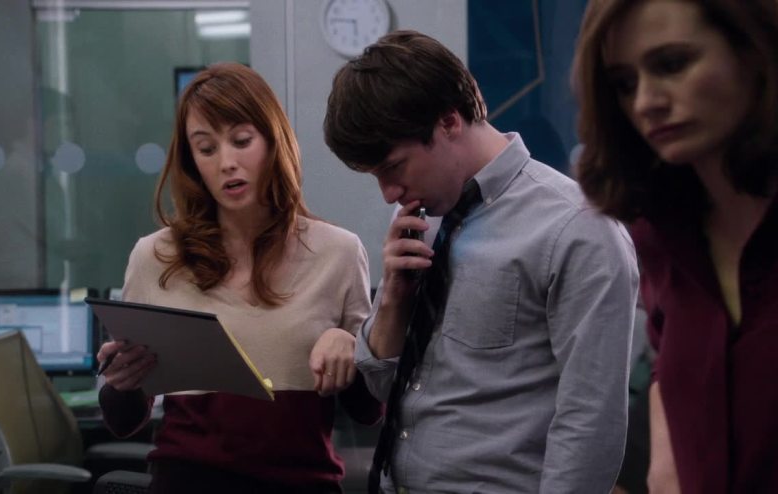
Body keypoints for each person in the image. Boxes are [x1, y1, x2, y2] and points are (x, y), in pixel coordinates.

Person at [324, 30, 639, 493]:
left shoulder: (578, 230)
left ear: (449, 121)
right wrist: (392, 298)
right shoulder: (420, 217)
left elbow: (591, 423)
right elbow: (383, 390)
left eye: (393, 168)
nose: (389, 193)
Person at [96, 62, 381, 494]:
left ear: (272, 141)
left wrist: (351, 347)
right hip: (187, 483)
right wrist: (120, 383)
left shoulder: (338, 252)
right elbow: (123, 421)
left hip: (300, 484)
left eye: (242, 141)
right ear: (192, 161)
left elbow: (368, 411)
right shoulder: (155, 257)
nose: (227, 163)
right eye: (206, 149)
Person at [572, 0, 778, 492]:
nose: (646, 102)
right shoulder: (660, 240)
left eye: (672, 64)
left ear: (754, 52)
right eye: (625, 84)